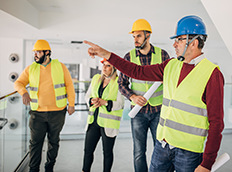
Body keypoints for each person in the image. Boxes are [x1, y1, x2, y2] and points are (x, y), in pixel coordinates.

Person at [84, 15, 224, 172]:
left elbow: (216, 122)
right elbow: (136, 71)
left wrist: (207, 163)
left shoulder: (211, 73)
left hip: (188, 151)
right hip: (163, 145)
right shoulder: (171, 65)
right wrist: (106, 54)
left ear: (194, 43)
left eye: (179, 39)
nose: (174, 44)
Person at [14, 39, 75, 172]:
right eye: (34, 52)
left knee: (53, 143)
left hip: (57, 112)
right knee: (35, 144)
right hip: (37, 113)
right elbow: (18, 83)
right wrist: (23, 92)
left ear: (47, 52)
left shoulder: (60, 66)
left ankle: (49, 168)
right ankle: (33, 169)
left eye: (38, 52)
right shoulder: (31, 68)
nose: (35, 55)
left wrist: (71, 104)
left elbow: (69, 85)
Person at [118, 19, 170, 172]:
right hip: (138, 113)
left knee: (161, 150)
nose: (135, 40)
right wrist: (133, 97)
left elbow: (170, 82)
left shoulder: (163, 55)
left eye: (139, 36)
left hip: (158, 112)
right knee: (139, 152)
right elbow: (121, 84)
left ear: (148, 36)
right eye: (133, 36)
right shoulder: (128, 57)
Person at [82, 58, 124, 172]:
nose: (104, 68)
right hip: (93, 121)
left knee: (107, 152)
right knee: (87, 151)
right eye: (103, 65)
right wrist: (92, 100)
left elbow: (120, 104)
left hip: (108, 124)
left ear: (114, 68)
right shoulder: (96, 78)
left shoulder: (119, 81)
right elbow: (87, 96)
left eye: (108, 65)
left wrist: (105, 102)